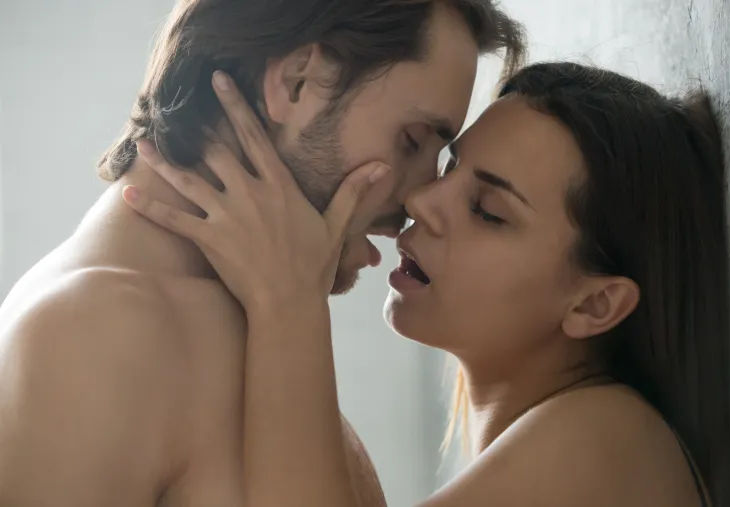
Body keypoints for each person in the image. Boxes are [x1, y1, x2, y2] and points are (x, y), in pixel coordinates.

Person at [126, 62, 730, 507]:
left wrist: (287, 301)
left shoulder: (610, 439)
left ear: (596, 303)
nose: (420, 200)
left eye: (487, 211)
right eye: (449, 168)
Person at [0, 1, 525, 506]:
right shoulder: (94, 333)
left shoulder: (258, 313)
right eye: (411, 141)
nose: (418, 198)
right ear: (296, 82)